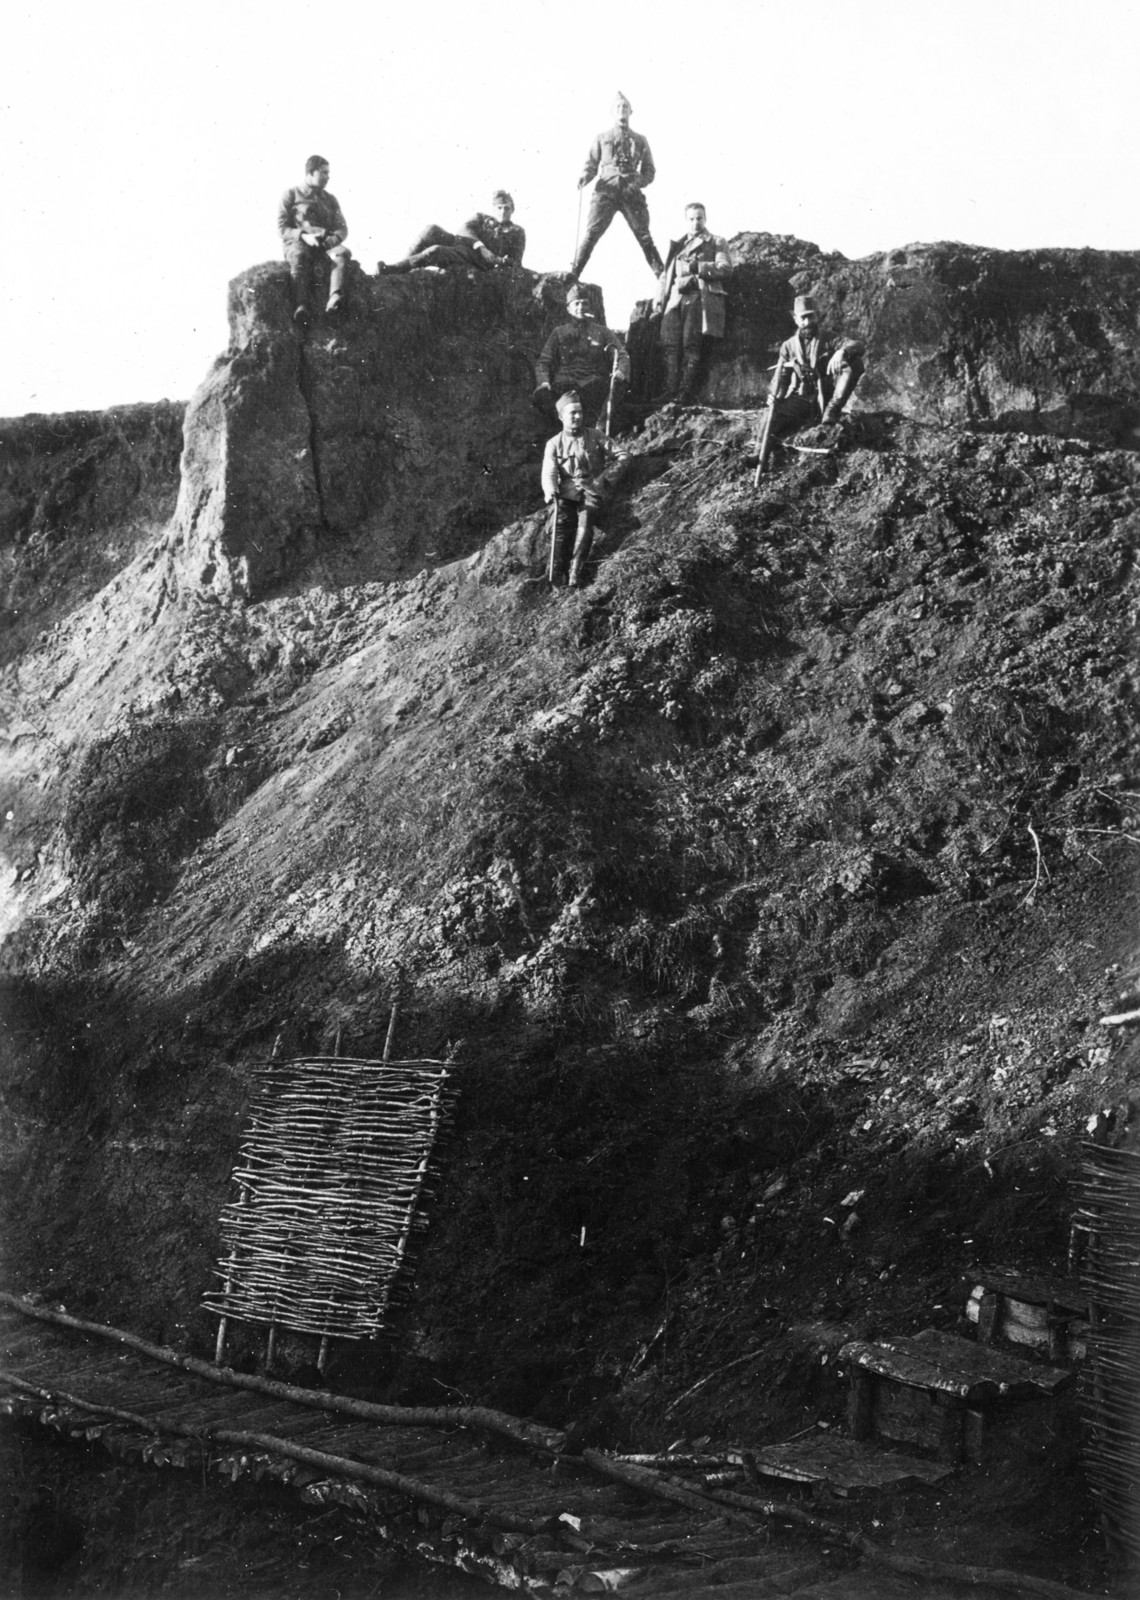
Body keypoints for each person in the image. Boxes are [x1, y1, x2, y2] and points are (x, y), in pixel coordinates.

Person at [570, 93, 664, 281]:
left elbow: (649, 170)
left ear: (631, 112)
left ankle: (662, 276)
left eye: (625, 107)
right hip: (606, 190)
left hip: (631, 191)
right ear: (612, 112)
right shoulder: (602, 137)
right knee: (591, 234)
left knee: (644, 236)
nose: (622, 110)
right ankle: (574, 274)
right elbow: (591, 164)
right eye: (618, 107)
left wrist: (637, 183)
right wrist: (584, 177)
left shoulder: (640, 139)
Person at [541, 391, 625, 587]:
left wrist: (605, 479)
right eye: (572, 413)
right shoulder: (554, 443)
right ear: (561, 416)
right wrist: (550, 489)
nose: (578, 416)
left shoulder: (595, 436)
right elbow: (549, 470)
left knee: (585, 520)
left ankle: (575, 572)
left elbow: (623, 456)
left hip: (593, 490)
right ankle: (555, 573)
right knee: (560, 522)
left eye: (580, 412)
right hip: (567, 492)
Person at [653, 203, 732, 404]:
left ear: (705, 219)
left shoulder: (716, 242)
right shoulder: (678, 244)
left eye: (699, 218)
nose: (695, 222)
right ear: (686, 220)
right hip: (674, 299)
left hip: (697, 297)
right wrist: (658, 302)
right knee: (669, 345)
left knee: (691, 345)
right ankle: (670, 390)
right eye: (691, 218)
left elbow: (725, 268)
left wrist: (700, 266)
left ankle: (683, 393)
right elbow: (666, 275)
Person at [533, 285, 630, 430]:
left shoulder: (602, 332)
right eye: (576, 303)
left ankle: (600, 426)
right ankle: (564, 429)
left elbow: (621, 354)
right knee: (542, 395)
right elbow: (543, 362)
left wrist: (621, 371)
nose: (581, 307)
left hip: (593, 384)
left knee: (618, 385)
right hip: (565, 384)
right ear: (568, 308)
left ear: (590, 306)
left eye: (585, 303)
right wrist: (544, 381)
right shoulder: (559, 333)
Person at [771, 295, 865, 428]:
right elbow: (781, 377)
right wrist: (776, 397)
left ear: (817, 316)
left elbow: (857, 345)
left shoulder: (828, 338)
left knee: (854, 360)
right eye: (803, 318)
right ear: (795, 320)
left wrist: (841, 352)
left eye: (811, 316)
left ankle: (833, 410)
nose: (808, 322)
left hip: (826, 397)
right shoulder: (788, 346)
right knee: (773, 419)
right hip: (801, 398)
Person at [278, 156, 352, 324]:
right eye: (323, 172)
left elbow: (342, 228)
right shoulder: (291, 195)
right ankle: (301, 305)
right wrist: (304, 236)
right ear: (310, 173)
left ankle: (334, 297)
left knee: (341, 254)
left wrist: (332, 241)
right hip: (299, 242)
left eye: (329, 173)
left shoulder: (330, 200)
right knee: (299, 255)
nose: (328, 177)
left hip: (324, 244)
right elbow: (282, 228)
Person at [377, 191, 525, 273]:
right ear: (494, 209)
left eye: (507, 208)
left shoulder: (517, 232)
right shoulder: (481, 218)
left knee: (436, 251)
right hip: (465, 245)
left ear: (512, 210)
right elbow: (465, 229)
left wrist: (499, 260)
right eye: (499, 208)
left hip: (476, 260)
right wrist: (481, 247)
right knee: (431, 230)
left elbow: (516, 261)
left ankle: (394, 269)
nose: (503, 211)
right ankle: (401, 267)